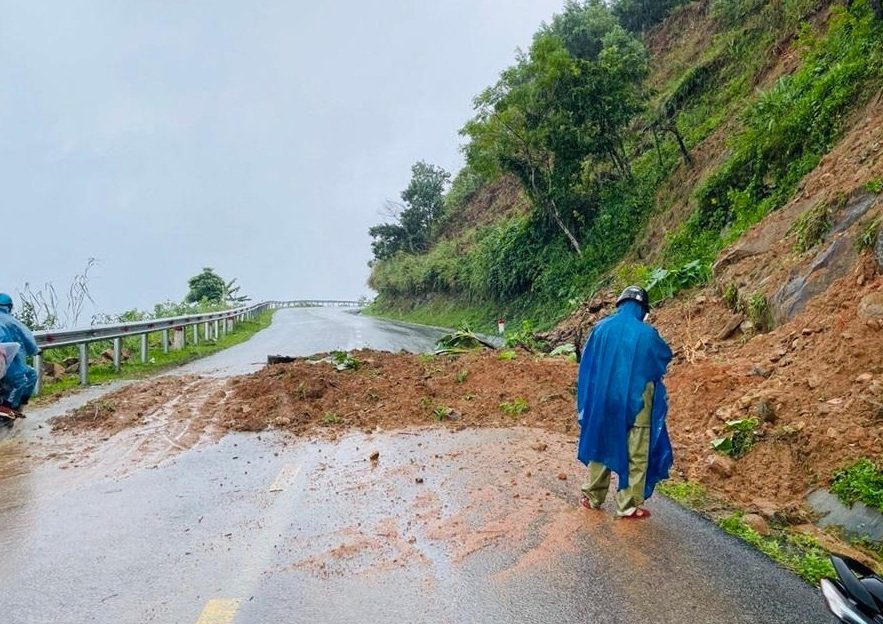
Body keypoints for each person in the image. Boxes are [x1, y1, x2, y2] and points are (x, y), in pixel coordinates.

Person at [575, 285, 673, 519]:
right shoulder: (647, 334)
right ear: (642, 309)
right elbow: (663, 357)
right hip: (638, 403)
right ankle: (627, 505)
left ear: (620, 304)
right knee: (637, 452)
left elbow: (588, 365)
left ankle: (592, 497)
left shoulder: (600, 329)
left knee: (601, 444)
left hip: (605, 401)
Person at [0, 293, 39, 419]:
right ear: (9, 307)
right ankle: (11, 407)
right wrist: (34, 350)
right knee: (22, 379)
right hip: (9, 363)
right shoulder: (12, 322)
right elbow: (28, 339)